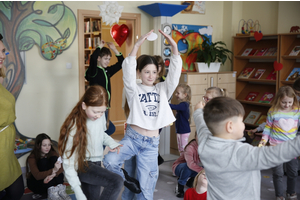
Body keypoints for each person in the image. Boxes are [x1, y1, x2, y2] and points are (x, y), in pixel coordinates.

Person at [103, 29, 182, 200]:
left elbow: (174, 75)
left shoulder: (163, 89)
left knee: (145, 192)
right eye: (146, 71)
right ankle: (127, 180)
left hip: (151, 145)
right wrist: (137, 45)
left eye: (154, 72)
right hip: (132, 139)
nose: (151, 76)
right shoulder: (133, 89)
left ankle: (136, 187)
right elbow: (128, 70)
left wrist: (174, 47)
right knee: (109, 160)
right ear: (139, 72)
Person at [193, 96, 300, 200]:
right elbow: (275, 154)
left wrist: (198, 111)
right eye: (241, 121)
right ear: (230, 126)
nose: (243, 125)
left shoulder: (204, 142)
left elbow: (201, 124)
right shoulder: (241, 153)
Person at [58, 85, 123, 200]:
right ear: (84, 105)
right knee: (116, 181)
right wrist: (78, 192)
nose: (99, 115)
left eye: (102, 112)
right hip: (83, 165)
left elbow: (101, 133)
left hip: (97, 162)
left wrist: (111, 142)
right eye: (95, 112)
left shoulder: (99, 117)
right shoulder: (74, 126)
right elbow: (68, 163)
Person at [258, 86, 300, 200]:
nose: (287, 105)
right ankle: (279, 195)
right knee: (278, 173)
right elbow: (267, 128)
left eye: (289, 102)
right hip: (275, 147)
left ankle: (291, 192)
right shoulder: (273, 111)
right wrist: (263, 141)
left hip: (291, 148)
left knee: (293, 172)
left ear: (294, 100)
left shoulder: (297, 110)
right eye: (283, 102)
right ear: (278, 100)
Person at [0, 33, 24, 200]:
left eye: (3, 51)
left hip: (7, 149)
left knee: (16, 191)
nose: (3, 56)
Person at [85, 40, 124, 136]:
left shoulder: (107, 71)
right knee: (105, 131)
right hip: (96, 107)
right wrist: (99, 47)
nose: (108, 61)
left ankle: (99, 148)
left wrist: (114, 49)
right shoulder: (93, 72)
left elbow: (122, 63)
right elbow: (93, 58)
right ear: (99, 58)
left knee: (105, 131)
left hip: (105, 107)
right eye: (105, 58)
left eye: (109, 59)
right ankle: (97, 148)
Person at [26, 133, 70, 200]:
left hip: (50, 180)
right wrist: (53, 170)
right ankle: (51, 191)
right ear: (38, 146)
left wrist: (53, 174)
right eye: (44, 145)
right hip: (38, 183)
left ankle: (60, 190)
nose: (47, 147)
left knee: (54, 160)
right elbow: (37, 176)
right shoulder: (32, 157)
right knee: (43, 161)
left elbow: (62, 167)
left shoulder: (52, 152)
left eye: (49, 145)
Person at [172, 132, 203, 198]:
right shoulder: (190, 147)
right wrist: (202, 170)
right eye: (199, 136)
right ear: (195, 137)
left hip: (192, 168)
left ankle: (191, 181)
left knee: (205, 168)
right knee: (188, 167)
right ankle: (180, 186)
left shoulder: (205, 147)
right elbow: (190, 164)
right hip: (180, 167)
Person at [170, 83, 192, 155]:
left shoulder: (184, 105)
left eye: (178, 93)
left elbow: (174, 107)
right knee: (180, 148)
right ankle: (181, 161)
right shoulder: (182, 105)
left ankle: (185, 162)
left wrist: (165, 104)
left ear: (185, 95)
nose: (176, 94)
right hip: (180, 130)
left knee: (183, 148)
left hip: (184, 131)